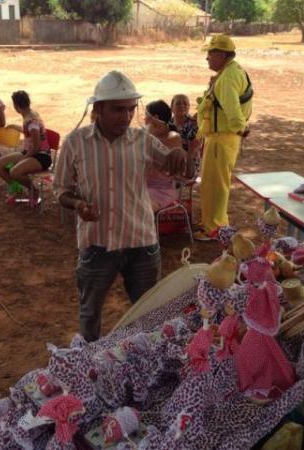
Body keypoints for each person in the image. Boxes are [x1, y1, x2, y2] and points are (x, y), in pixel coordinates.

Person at [53, 70, 187, 342]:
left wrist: (182, 155)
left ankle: (146, 364)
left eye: (131, 110)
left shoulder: (143, 141)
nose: (126, 117)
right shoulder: (75, 143)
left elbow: (179, 167)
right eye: (117, 110)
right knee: (90, 314)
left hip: (141, 244)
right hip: (96, 244)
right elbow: (61, 190)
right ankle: (88, 366)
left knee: (149, 314)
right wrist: (77, 204)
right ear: (98, 109)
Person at [194, 34, 253, 241]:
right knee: (215, 183)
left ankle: (214, 228)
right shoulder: (230, 72)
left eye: (211, 53)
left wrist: (240, 129)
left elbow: (233, 112)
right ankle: (214, 222)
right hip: (222, 137)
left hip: (222, 137)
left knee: (215, 185)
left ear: (221, 54)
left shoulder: (227, 78)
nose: (207, 58)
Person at [0, 90, 51, 207]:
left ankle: (34, 191)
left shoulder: (31, 121)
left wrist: (23, 159)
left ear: (16, 106)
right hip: (31, 152)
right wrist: (16, 127)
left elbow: (36, 146)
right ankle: (17, 189)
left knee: (15, 171)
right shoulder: (30, 116)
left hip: (41, 156)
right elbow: (30, 134)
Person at [144, 99, 196, 211]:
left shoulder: (173, 137)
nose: (144, 119)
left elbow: (159, 163)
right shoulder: (148, 135)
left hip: (162, 190)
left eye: (145, 115)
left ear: (155, 118)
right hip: (145, 186)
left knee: (137, 207)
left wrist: (148, 133)